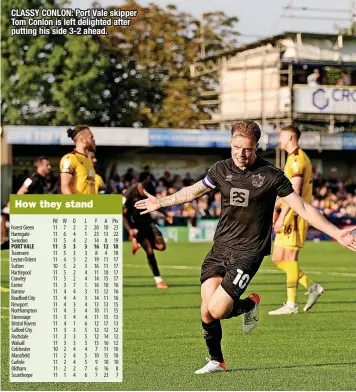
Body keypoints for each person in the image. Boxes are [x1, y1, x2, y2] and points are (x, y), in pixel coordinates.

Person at [134, 120, 356, 374]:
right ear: (230, 143)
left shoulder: (271, 176)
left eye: (247, 149)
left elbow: (303, 207)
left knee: (217, 309)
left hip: (248, 252)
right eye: (236, 147)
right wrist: (162, 202)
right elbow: (193, 191)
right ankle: (217, 360)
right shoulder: (220, 169)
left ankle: (248, 306)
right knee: (206, 311)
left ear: (256, 148)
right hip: (220, 248)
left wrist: (336, 232)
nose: (241, 153)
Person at [269, 126, 324, 315]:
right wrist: (273, 206)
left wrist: (282, 217)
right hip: (290, 212)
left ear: (291, 136)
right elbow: (287, 194)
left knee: (290, 258)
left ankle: (291, 304)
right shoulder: (293, 159)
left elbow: (295, 193)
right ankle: (311, 286)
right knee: (277, 258)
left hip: (295, 215)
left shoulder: (296, 161)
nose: (279, 139)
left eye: (281, 135)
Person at [123, 179, 171, 289]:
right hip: (136, 226)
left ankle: (138, 243)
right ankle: (158, 280)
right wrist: (129, 229)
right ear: (140, 188)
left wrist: (166, 214)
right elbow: (122, 214)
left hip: (148, 222)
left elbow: (156, 203)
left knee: (161, 246)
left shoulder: (148, 191)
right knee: (149, 251)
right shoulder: (129, 194)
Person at [60, 125, 97, 194]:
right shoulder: (69, 158)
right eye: (91, 138)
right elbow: (65, 186)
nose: (94, 140)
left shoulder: (88, 162)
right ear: (82, 140)